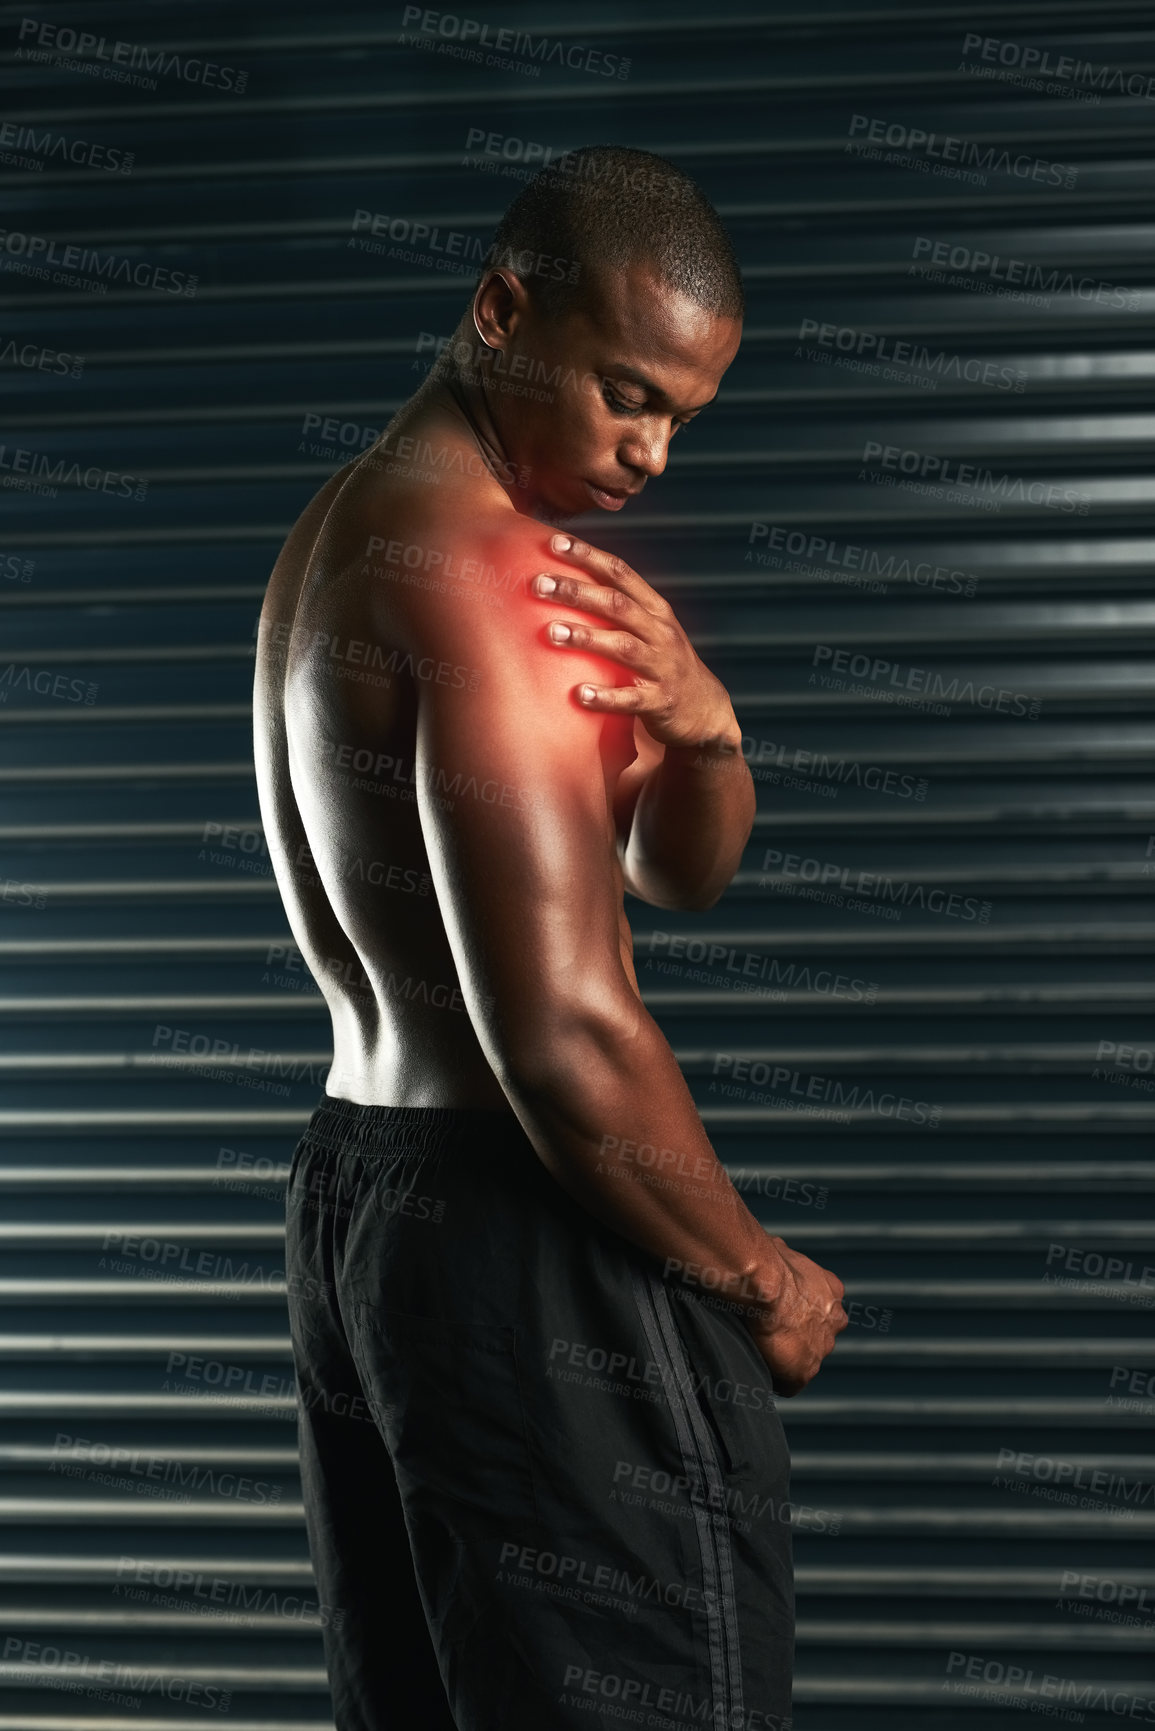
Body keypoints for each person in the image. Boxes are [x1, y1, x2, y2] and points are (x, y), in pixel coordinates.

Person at [253, 144, 847, 1731]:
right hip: (523, 1222)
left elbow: (677, 873)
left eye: (681, 421)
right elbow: (562, 1033)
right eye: (626, 395)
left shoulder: (352, 536)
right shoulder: (494, 585)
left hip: (362, 1206)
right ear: (502, 309)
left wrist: (708, 733)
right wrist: (760, 1279)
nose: (653, 455)